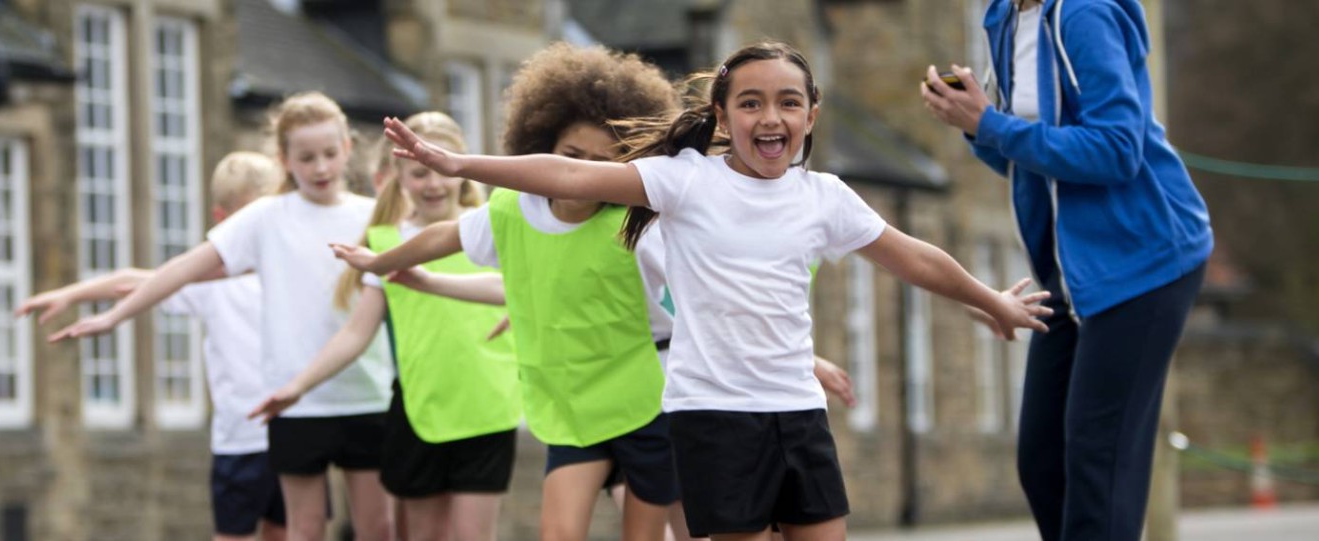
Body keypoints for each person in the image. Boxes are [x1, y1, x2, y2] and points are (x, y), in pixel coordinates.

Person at [381, 41, 1051, 541]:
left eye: (788, 102)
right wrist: (461, 163)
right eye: (751, 102)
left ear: (811, 115)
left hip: (798, 413)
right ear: (722, 116)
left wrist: (991, 299)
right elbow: (569, 173)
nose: (771, 116)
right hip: (713, 415)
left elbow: (913, 258)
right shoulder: (684, 181)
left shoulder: (825, 198)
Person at [919, 1, 1212, 539]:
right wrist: (975, 124)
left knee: (1097, 463)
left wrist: (992, 125)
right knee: (1042, 461)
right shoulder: (1004, 20)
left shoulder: (1084, 15)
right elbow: (1022, 156)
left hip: (1143, 258)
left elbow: (1118, 149)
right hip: (1072, 275)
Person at [52, 93, 397, 541]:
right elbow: (182, 269)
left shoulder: (373, 216)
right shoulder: (265, 218)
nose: (320, 167)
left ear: (347, 149)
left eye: (330, 154)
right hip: (294, 403)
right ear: (284, 159)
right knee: (305, 529)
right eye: (306, 157)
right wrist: (114, 317)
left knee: (380, 528)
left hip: (366, 396)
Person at [251, 112, 516, 541]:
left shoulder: (494, 227)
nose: (432, 185)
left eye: (439, 171)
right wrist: (298, 386)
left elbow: (525, 289)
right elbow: (357, 332)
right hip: (419, 410)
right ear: (398, 176)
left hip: (488, 407)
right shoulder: (386, 243)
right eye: (418, 174)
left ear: (459, 168)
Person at [16, 151, 291, 541]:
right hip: (240, 441)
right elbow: (133, 281)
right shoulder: (211, 284)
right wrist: (71, 294)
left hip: (294, 431)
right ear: (223, 220)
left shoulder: (288, 271)